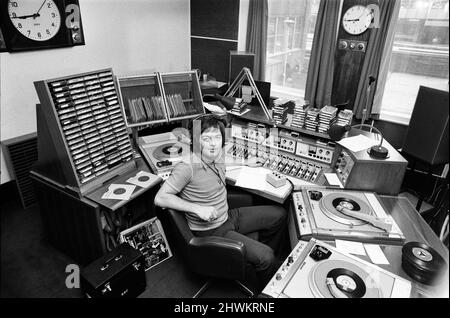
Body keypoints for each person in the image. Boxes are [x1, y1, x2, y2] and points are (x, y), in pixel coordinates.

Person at [154, 114, 287, 290]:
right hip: (211, 229)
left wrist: (245, 161)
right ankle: (266, 285)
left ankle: (259, 263)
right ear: (196, 140)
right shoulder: (186, 166)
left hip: (227, 217)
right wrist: (196, 208)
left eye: (217, 137)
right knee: (267, 257)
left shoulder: (216, 155)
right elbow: (160, 198)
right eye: (206, 138)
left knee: (279, 214)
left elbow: (224, 161)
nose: (213, 143)